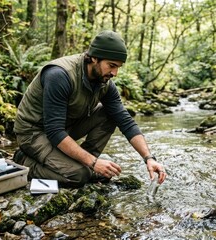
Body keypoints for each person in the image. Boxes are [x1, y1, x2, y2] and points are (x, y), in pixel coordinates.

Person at [13, 30, 167, 188]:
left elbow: (125, 121)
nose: (115, 73)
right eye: (111, 66)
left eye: (118, 67)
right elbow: (54, 131)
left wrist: (148, 158)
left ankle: (83, 164)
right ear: (94, 58)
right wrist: (94, 163)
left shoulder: (104, 83)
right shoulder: (59, 75)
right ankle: (24, 161)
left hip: (63, 128)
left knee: (110, 114)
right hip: (33, 133)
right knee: (78, 176)